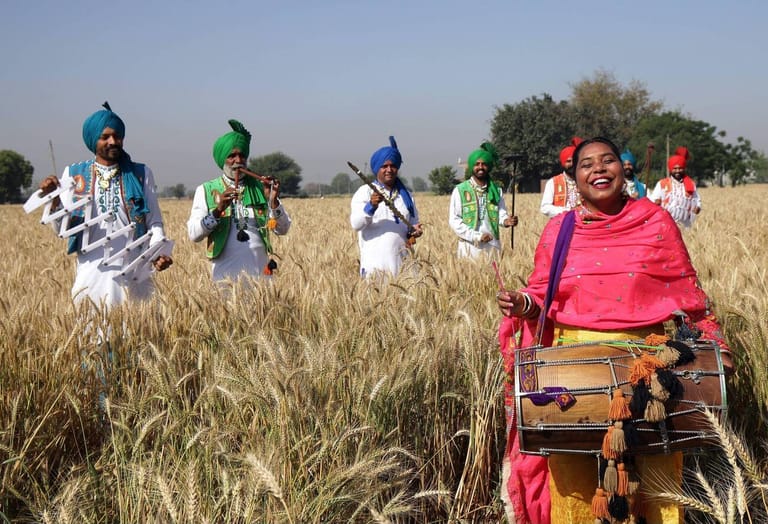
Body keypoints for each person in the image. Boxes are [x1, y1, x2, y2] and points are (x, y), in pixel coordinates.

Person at [496, 137, 730, 524]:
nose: (599, 169)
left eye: (608, 161)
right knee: (574, 491)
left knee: (659, 487)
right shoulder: (559, 229)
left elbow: (690, 295)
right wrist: (522, 304)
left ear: (623, 171)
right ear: (574, 178)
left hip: (648, 369)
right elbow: (542, 292)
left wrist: (717, 344)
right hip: (571, 372)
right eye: (587, 164)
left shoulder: (656, 222)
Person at [38, 102, 173, 309]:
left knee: (138, 335)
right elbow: (61, 230)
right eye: (105, 137)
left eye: (117, 136)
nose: (113, 141)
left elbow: (153, 221)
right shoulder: (74, 174)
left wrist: (157, 254)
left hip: (134, 272)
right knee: (92, 334)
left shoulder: (140, 173)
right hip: (91, 273)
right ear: (94, 140)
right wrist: (54, 200)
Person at [188, 119, 291, 281]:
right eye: (232, 156)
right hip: (225, 279)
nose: (238, 160)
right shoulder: (205, 190)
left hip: (262, 278)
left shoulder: (260, 187)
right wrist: (218, 210)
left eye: (242, 155)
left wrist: (273, 200)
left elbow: (283, 229)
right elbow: (194, 234)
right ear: (223, 160)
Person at [350, 136, 423, 277]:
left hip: (404, 267)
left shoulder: (406, 195)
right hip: (375, 267)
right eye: (384, 166)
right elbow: (356, 224)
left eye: (393, 166)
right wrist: (371, 206)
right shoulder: (364, 192)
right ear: (377, 169)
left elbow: (413, 224)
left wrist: (415, 232)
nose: (389, 170)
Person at [448, 142, 518, 257]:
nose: (480, 167)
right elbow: (454, 220)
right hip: (469, 248)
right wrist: (477, 236)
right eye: (477, 164)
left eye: (484, 164)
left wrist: (506, 221)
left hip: (492, 247)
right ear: (472, 167)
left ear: (488, 167)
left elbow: (501, 213)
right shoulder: (460, 190)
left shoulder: (496, 190)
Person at [649, 146, 702, 228]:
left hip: (685, 226)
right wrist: (656, 202)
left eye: (680, 168)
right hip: (665, 225)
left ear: (684, 169)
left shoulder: (691, 184)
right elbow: (652, 201)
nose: (677, 171)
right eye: (675, 168)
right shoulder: (662, 184)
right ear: (671, 169)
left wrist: (698, 208)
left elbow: (697, 200)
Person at [539, 137, 583, 218]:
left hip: (584, 225)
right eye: (568, 161)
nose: (572, 164)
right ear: (563, 164)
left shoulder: (585, 180)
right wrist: (568, 211)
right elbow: (545, 208)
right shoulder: (553, 182)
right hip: (561, 224)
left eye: (575, 160)